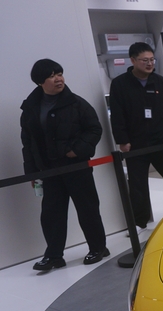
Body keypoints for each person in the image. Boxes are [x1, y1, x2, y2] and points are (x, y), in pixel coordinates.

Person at [20, 59, 108, 271]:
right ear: (40, 81)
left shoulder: (76, 103)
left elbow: (94, 129)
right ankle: (54, 256)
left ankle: (98, 248)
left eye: (59, 74)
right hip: (49, 170)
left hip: (75, 167)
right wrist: (31, 172)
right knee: (51, 214)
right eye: (52, 76)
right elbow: (28, 142)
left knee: (87, 209)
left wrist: (77, 150)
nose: (58, 79)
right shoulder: (31, 108)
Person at [110, 42, 163, 234]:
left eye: (152, 60)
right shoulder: (120, 84)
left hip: (160, 140)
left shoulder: (162, 83)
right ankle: (140, 222)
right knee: (137, 184)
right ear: (132, 60)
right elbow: (117, 115)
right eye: (144, 60)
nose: (149, 64)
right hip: (135, 144)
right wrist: (122, 140)